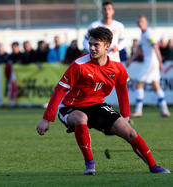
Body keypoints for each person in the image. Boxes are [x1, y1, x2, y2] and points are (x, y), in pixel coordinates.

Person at [36, 27, 170, 175]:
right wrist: (46, 119)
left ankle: (153, 166)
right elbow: (59, 90)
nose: (92, 48)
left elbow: (122, 90)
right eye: (90, 44)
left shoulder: (117, 67)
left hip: (97, 105)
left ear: (107, 46)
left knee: (130, 132)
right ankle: (90, 164)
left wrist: (125, 116)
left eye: (96, 45)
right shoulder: (78, 65)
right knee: (81, 118)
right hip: (70, 105)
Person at [126, 15, 170, 117]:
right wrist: (131, 59)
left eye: (142, 21)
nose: (140, 23)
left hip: (150, 62)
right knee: (156, 85)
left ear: (146, 23)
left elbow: (156, 47)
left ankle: (138, 110)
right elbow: (138, 51)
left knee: (138, 84)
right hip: (151, 62)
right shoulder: (143, 34)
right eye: (139, 21)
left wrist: (160, 62)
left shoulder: (149, 33)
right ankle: (165, 110)